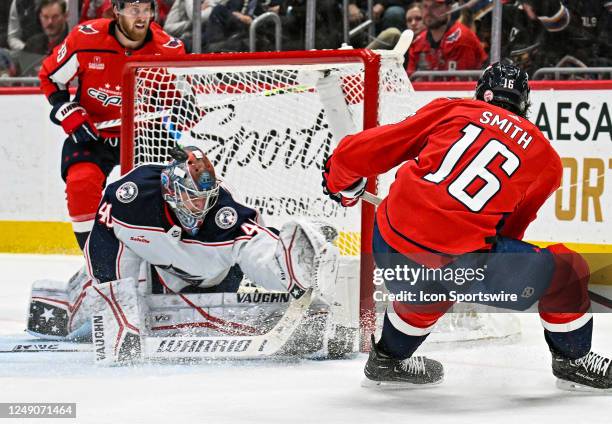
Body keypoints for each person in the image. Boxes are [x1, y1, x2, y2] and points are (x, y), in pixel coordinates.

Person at [322, 61, 612, 392]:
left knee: (429, 282)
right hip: (459, 260)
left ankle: (388, 359)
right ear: (524, 104)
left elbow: (361, 152)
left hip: (389, 243)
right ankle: (573, 360)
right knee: (567, 268)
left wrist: (339, 183)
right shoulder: (545, 159)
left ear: (480, 93)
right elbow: (508, 233)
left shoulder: (454, 109)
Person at [27, 145, 338, 340]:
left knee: (200, 323)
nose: (199, 207)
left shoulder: (225, 214)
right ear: (171, 189)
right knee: (88, 316)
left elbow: (256, 247)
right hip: (151, 269)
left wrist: (289, 268)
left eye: (205, 199)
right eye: (191, 198)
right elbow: (105, 243)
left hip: (211, 281)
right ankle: (56, 304)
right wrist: (117, 302)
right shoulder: (132, 196)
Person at [38, 0, 186, 251]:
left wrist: (186, 108)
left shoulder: (167, 50)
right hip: (94, 132)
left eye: (146, 10)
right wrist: (68, 112)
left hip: (144, 134)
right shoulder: (86, 39)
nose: (142, 17)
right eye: (133, 10)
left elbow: (178, 101)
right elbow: (51, 77)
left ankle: (164, 258)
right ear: (117, 12)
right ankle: (97, 259)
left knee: (169, 187)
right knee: (81, 184)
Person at [407, 0, 486, 78]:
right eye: (425, 6)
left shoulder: (462, 39)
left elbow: (461, 86)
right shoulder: (417, 43)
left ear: (449, 8)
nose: (428, 12)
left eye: (435, 6)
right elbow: (409, 83)